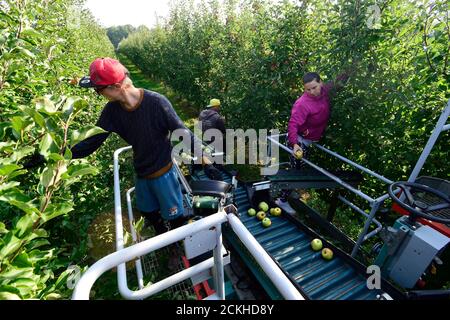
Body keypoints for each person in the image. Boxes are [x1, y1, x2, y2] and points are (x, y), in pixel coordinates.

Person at [74, 57, 221, 238]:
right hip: (142, 171)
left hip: (164, 174)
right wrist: (54, 155)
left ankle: (175, 244)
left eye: (98, 90)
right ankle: (162, 234)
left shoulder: (157, 103)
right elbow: (91, 142)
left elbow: (183, 133)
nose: (98, 94)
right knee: (148, 212)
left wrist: (207, 163)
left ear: (114, 87)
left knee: (175, 216)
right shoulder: (111, 112)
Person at [276, 71, 351, 213]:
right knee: (296, 172)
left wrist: (351, 69)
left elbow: (336, 83)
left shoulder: (325, 91)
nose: (312, 92)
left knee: (299, 169)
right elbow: (293, 124)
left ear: (321, 83)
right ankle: (281, 200)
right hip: (298, 141)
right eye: (308, 89)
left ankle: (289, 193)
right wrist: (295, 144)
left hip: (309, 140)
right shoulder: (302, 103)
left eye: (314, 87)